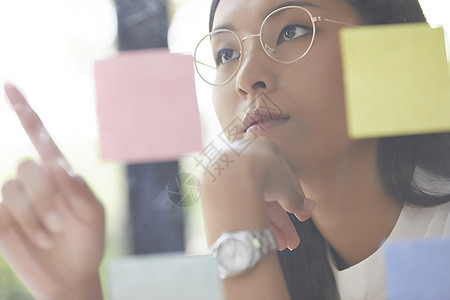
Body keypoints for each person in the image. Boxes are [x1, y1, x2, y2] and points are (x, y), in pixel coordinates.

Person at [1, 1, 449, 300]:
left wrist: (228, 189)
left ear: (392, 46)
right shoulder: (234, 267)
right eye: (225, 53)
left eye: (290, 30)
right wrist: (74, 288)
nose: (246, 76)